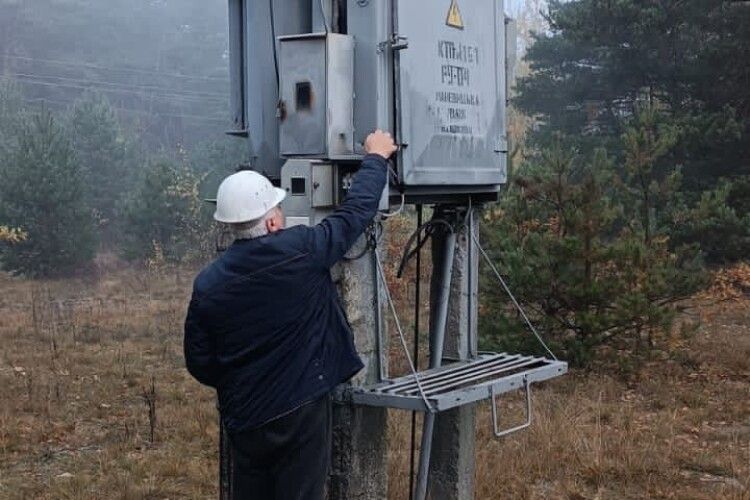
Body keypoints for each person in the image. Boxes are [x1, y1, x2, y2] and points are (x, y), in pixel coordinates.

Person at [183, 130, 397, 499]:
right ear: (270, 223)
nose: (283, 214)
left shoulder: (208, 285)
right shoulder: (302, 251)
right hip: (301, 411)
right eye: (278, 209)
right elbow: (355, 213)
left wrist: (241, 383)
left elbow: (200, 362)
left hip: (246, 417)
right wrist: (376, 158)